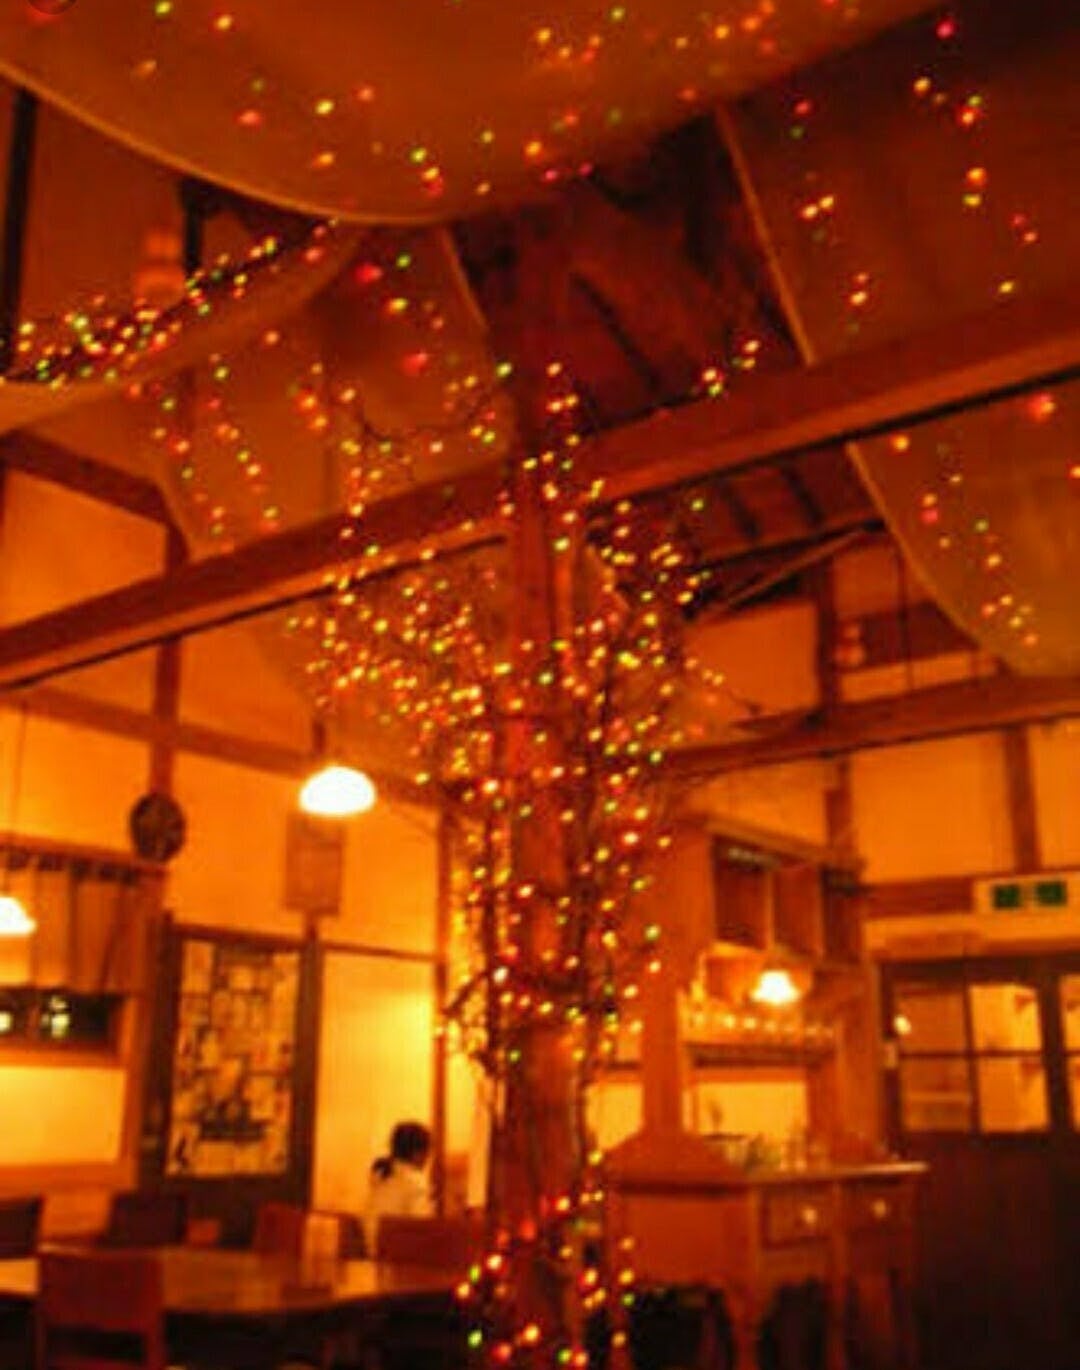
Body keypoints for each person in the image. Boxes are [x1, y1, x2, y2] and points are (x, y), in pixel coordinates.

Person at [364, 1120, 432, 1254]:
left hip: (373, 1252)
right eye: (428, 1153)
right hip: (400, 1256)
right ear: (417, 1153)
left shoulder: (381, 1175)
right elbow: (422, 1227)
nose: (428, 1158)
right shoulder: (415, 1180)